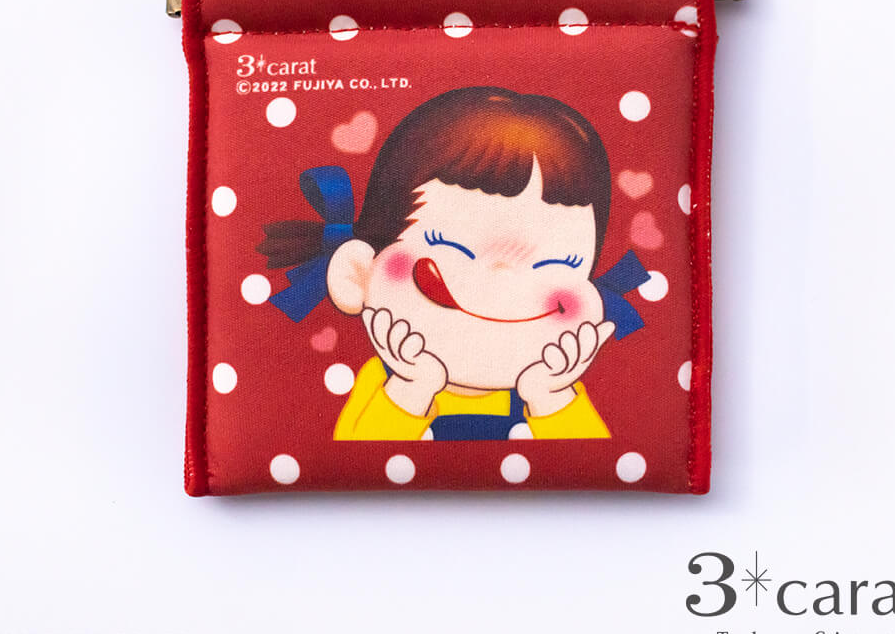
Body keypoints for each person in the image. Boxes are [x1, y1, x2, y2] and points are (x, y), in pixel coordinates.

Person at [258, 86, 650, 440]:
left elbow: (590, 458)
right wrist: (411, 390)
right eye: (450, 246)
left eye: (560, 262)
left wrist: (551, 398)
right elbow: (358, 455)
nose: (502, 280)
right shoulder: (386, 383)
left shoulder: (557, 392)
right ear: (358, 275)